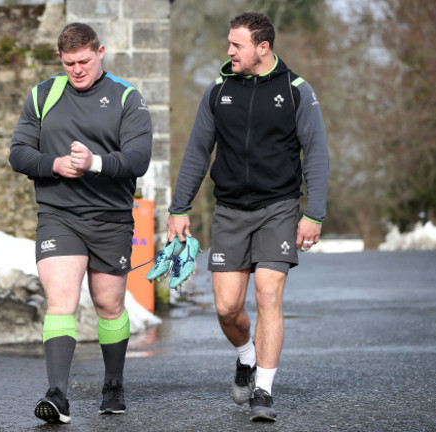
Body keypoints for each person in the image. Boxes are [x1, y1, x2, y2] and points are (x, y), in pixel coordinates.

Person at [167, 12, 328, 422]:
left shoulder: (296, 91)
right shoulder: (218, 91)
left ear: (263, 47)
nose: (229, 51)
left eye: (236, 45)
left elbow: (317, 153)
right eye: (229, 43)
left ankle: (264, 391)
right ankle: (245, 357)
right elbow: (197, 153)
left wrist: (314, 213)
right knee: (226, 308)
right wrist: (179, 208)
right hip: (230, 211)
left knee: (270, 294)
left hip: (278, 208)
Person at [9, 22, 152, 424]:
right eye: (69, 62)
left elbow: (138, 159)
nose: (77, 69)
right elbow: (18, 153)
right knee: (61, 300)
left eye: (84, 61)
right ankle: (57, 394)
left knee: (109, 304)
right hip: (59, 215)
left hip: (110, 217)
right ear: (60, 58)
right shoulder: (43, 95)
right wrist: (53, 164)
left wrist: (95, 163)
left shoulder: (127, 98)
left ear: (100, 52)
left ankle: (113, 383)